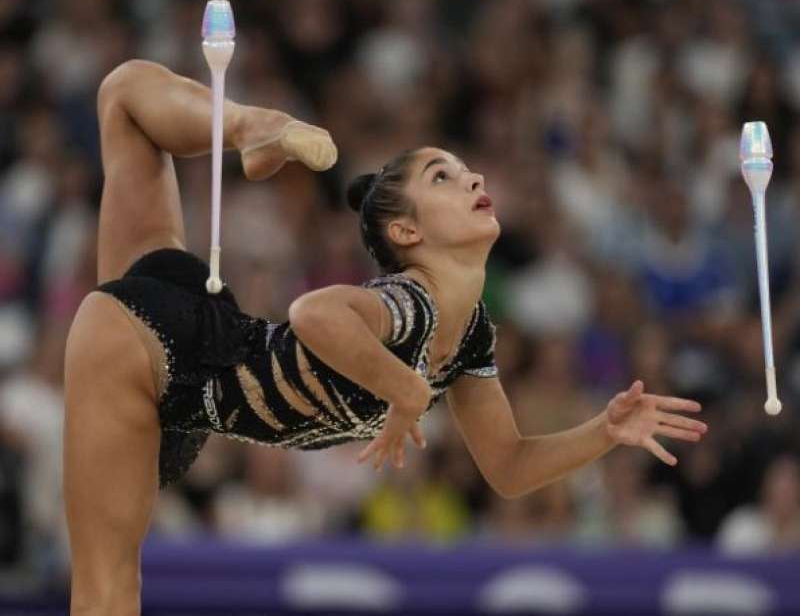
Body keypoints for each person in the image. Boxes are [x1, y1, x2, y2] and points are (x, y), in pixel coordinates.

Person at [63, 59, 708, 615]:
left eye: (463, 173)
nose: (476, 180)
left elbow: (508, 468)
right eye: (445, 178)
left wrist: (604, 431)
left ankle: (246, 124)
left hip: (200, 352)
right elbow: (315, 313)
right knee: (107, 595)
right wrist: (405, 387)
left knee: (124, 94)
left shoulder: (471, 333)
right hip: (145, 342)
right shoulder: (411, 306)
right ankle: (248, 125)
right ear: (406, 234)